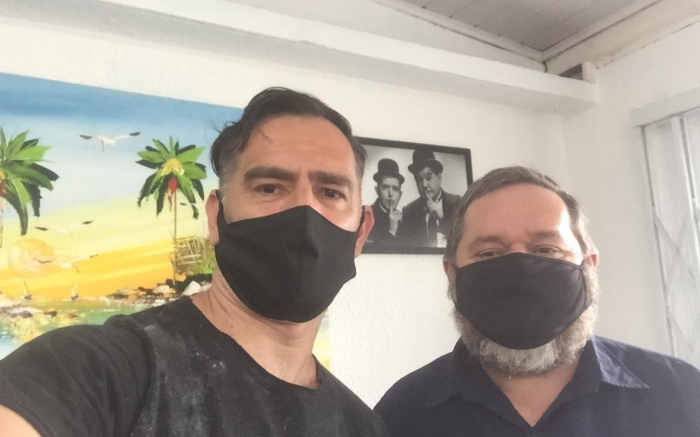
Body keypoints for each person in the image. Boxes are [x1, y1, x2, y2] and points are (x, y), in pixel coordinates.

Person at [0, 88, 387, 437]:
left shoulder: (362, 426)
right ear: (215, 217)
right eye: (270, 188)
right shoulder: (96, 372)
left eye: (331, 192)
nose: (305, 210)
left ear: (361, 233)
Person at [375, 166, 700, 436]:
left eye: (546, 249)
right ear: (451, 273)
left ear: (589, 264)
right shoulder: (399, 416)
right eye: (489, 253)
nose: (520, 271)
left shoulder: (682, 393)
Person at [397, 149, 460, 248]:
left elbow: (465, 241)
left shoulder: (458, 203)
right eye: (419, 179)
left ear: (439, 178)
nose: (424, 185)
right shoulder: (409, 212)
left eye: (428, 178)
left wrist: (442, 219)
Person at [368, 158, 404, 245]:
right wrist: (391, 232)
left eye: (395, 189)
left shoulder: (404, 220)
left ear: (400, 194)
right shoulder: (366, 217)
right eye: (386, 187)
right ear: (377, 190)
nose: (391, 194)